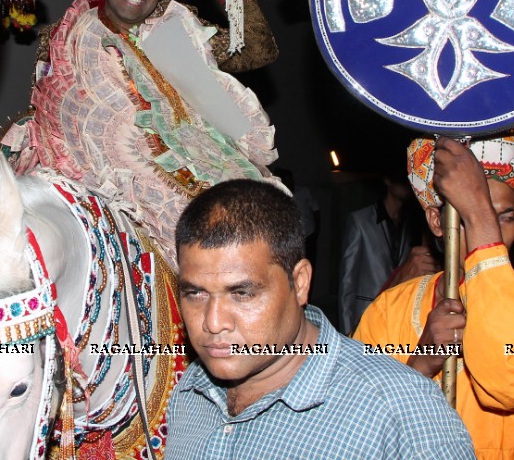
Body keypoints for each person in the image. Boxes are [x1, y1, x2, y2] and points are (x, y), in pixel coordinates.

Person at [0, 0, 281, 269]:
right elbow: (58, 120)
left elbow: (258, 52)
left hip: (200, 176)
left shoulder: (173, 32)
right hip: (112, 199)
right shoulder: (68, 36)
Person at [166, 178, 474, 460]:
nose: (214, 322)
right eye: (196, 294)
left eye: (242, 293)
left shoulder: (401, 413)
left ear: (299, 283)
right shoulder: (190, 389)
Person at [355, 136, 514, 460]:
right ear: (437, 221)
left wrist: (477, 215)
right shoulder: (390, 310)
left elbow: (513, 378)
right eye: (471, 216)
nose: (495, 232)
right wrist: (419, 365)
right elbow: (356, 419)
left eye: (505, 217)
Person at [339, 170, 437, 333]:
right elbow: (346, 283)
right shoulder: (360, 221)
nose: (407, 184)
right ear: (387, 180)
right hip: (364, 314)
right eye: (402, 179)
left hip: (395, 315)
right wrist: (346, 334)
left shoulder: (411, 224)